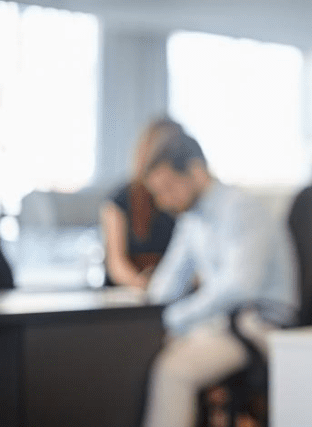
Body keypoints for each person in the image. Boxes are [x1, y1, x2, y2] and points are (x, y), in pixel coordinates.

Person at [140, 130, 298, 427]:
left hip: (259, 324)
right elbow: (168, 282)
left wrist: (177, 317)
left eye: (169, 187)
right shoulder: (192, 218)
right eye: (157, 193)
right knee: (142, 353)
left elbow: (240, 286)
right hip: (220, 323)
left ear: (196, 171)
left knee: (173, 371)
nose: (164, 200)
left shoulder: (241, 209)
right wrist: (144, 312)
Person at [100, 117, 183, 289]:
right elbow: (116, 265)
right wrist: (144, 285)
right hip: (130, 297)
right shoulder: (118, 201)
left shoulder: (185, 205)